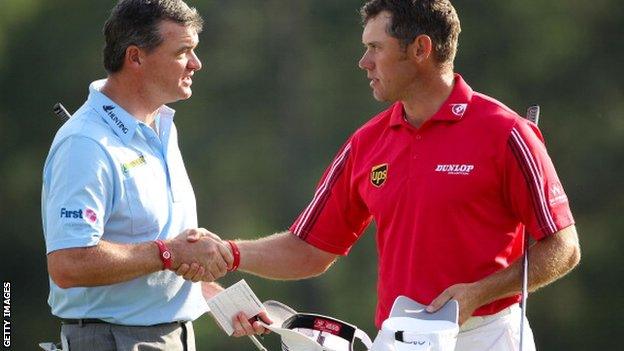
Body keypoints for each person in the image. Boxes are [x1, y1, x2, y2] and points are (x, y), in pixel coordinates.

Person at [186, 0, 581, 349]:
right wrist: (228, 252)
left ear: (420, 49)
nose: (364, 62)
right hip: (398, 338)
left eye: (375, 48)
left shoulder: (506, 132)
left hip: (488, 336)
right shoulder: (367, 142)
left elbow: (563, 247)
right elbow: (310, 249)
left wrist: (478, 294)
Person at [41, 1, 242, 350]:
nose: (196, 63)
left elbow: (156, 252)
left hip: (173, 336)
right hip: (110, 340)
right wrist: (168, 253)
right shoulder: (84, 143)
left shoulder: (162, 127)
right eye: (183, 52)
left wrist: (217, 299)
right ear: (135, 58)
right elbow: (69, 263)